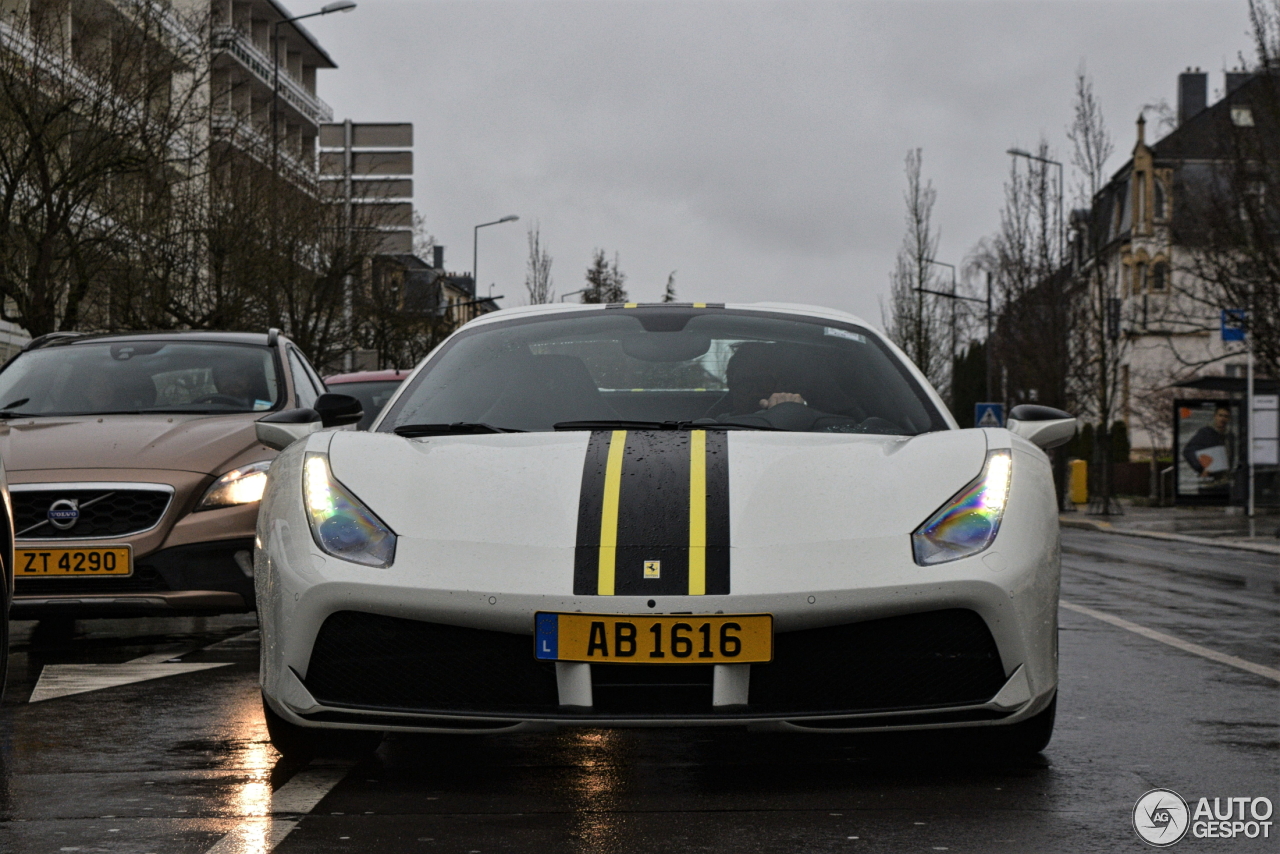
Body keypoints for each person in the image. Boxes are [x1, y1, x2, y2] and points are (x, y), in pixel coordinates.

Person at [1182, 405, 1231, 479]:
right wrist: (1201, 469)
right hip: (1209, 480)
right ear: (1215, 416)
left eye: (1226, 416)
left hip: (1225, 479)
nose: (1222, 419)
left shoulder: (1230, 436)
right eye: (1220, 415)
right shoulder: (1205, 433)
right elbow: (1188, 451)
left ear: (1229, 419)